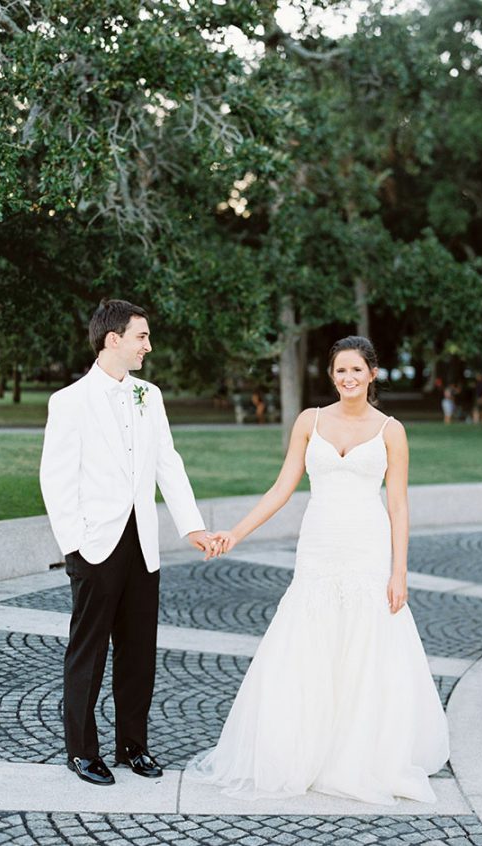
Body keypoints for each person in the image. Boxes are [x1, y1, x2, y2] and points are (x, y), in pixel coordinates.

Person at [186, 335, 449, 804]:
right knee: (309, 638)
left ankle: (359, 753)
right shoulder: (310, 421)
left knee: (365, 644)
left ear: (372, 374)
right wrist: (235, 532)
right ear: (331, 375)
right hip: (319, 544)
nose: (347, 378)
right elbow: (281, 488)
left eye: (356, 370)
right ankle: (301, 748)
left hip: (367, 547)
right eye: (339, 370)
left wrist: (399, 571)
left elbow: (399, 505)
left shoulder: (391, 430)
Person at [40, 299, 213, 787]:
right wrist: (75, 545)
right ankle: (81, 751)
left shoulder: (149, 396)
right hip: (95, 546)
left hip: (143, 543)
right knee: (88, 651)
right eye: (142, 336)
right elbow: (55, 479)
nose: (148, 346)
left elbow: (167, 464)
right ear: (113, 339)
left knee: (139, 652)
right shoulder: (68, 401)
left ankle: (133, 746)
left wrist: (192, 526)